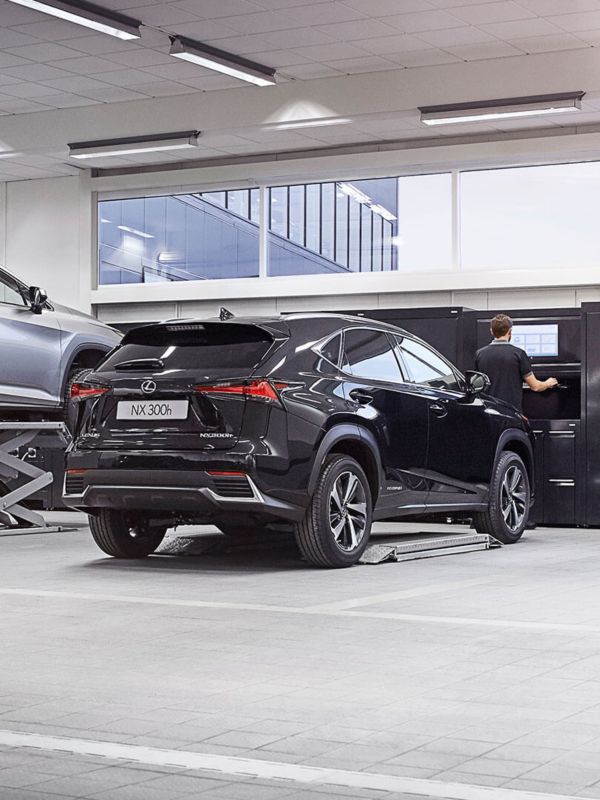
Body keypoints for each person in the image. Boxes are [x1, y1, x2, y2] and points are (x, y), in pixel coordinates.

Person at [475, 314, 558, 411]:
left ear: (491, 331)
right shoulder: (518, 354)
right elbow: (535, 387)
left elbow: (477, 386)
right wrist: (548, 383)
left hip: (488, 412)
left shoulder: (480, 354)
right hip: (511, 413)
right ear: (510, 331)